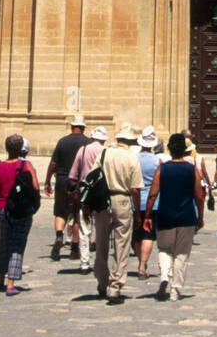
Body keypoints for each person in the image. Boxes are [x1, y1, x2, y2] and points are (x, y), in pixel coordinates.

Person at [144, 132, 204, 300]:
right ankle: (176, 289)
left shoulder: (162, 168)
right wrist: (201, 217)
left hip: (165, 215)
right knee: (182, 253)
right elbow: (199, 196)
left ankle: (164, 276)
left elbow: (152, 194)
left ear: (169, 149)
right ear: (185, 150)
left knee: (164, 249)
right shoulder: (192, 169)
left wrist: (148, 215)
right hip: (186, 216)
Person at [0, 133, 40, 294]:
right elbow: (36, 187)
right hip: (22, 210)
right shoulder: (26, 165)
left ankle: (0, 277)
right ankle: (11, 284)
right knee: (17, 245)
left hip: (2, 209)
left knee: (4, 243)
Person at [95, 123, 143, 305]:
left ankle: (101, 281)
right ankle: (115, 288)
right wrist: (138, 213)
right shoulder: (132, 158)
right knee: (121, 245)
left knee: (101, 242)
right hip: (122, 200)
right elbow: (136, 190)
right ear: (130, 141)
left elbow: (92, 176)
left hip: (102, 201)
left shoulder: (104, 153)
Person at [44, 114, 91, 261]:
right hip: (78, 182)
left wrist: (47, 181)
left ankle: (59, 236)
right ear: (83, 128)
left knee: (60, 212)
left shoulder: (62, 141)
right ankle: (75, 249)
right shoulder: (88, 143)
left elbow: (53, 164)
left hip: (62, 180)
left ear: (72, 127)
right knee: (77, 214)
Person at [67, 125, 108, 273]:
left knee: (84, 228)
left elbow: (73, 175)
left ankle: (84, 263)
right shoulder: (106, 152)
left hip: (85, 191)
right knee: (101, 226)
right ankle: (100, 261)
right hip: (102, 192)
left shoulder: (83, 150)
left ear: (92, 137)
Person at [134, 126, 161, 278]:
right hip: (153, 203)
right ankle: (143, 265)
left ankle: (140, 262)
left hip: (135, 201)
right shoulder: (157, 161)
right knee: (148, 235)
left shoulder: (134, 159)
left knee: (137, 235)